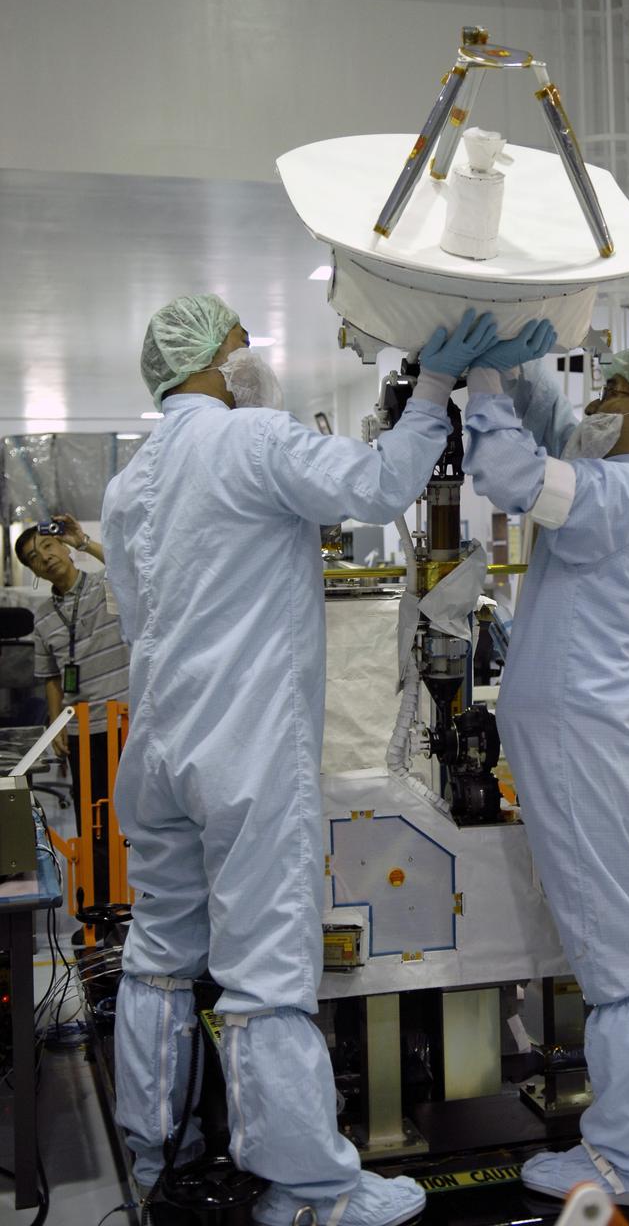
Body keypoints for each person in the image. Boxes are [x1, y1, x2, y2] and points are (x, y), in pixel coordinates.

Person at [100, 294, 497, 1226]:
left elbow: (135, 616)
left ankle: (157, 1155)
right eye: (240, 341)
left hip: (157, 749)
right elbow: (376, 486)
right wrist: (433, 387)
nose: (253, 355)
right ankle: (308, 1189)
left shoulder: (129, 484)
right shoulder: (252, 441)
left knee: (159, 956)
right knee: (266, 974)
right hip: (244, 750)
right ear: (205, 361)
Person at [461, 324, 629, 1211]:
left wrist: (479, 387)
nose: (597, 408)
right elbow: (554, 444)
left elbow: (513, 475)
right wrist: (519, 365)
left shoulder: (623, 492)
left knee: (621, 957)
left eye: (612, 396)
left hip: (593, 754)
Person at [16, 514, 130, 905]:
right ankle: (101, 901)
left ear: (63, 547)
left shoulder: (107, 586)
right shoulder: (44, 618)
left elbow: (130, 567)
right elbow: (50, 677)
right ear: (32, 571)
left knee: (137, 816)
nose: (44, 557)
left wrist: (84, 541)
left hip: (127, 723)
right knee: (94, 822)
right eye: (33, 557)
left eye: (48, 546)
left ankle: (144, 898)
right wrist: (56, 724)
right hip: (83, 728)